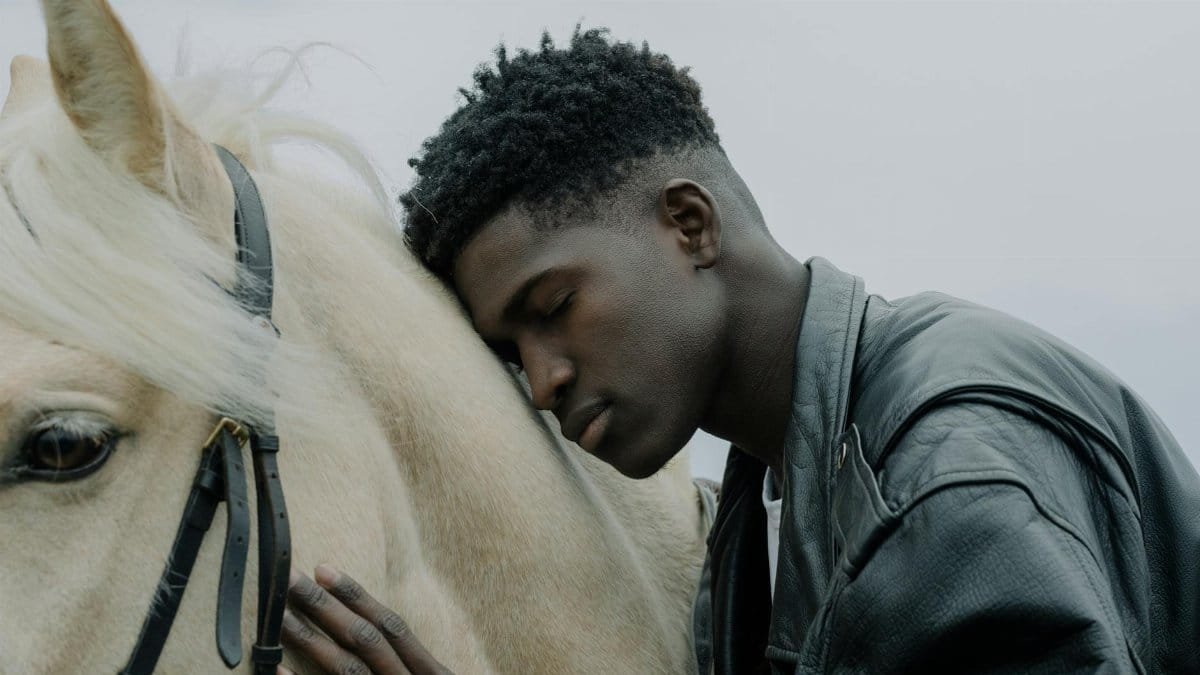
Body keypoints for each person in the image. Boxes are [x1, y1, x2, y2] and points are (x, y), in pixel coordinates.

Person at [281, 28, 1200, 674]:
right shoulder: (764, 507)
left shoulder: (937, 481)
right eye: (513, 354)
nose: (543, 380)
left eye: (553, 306)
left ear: (689, 223)